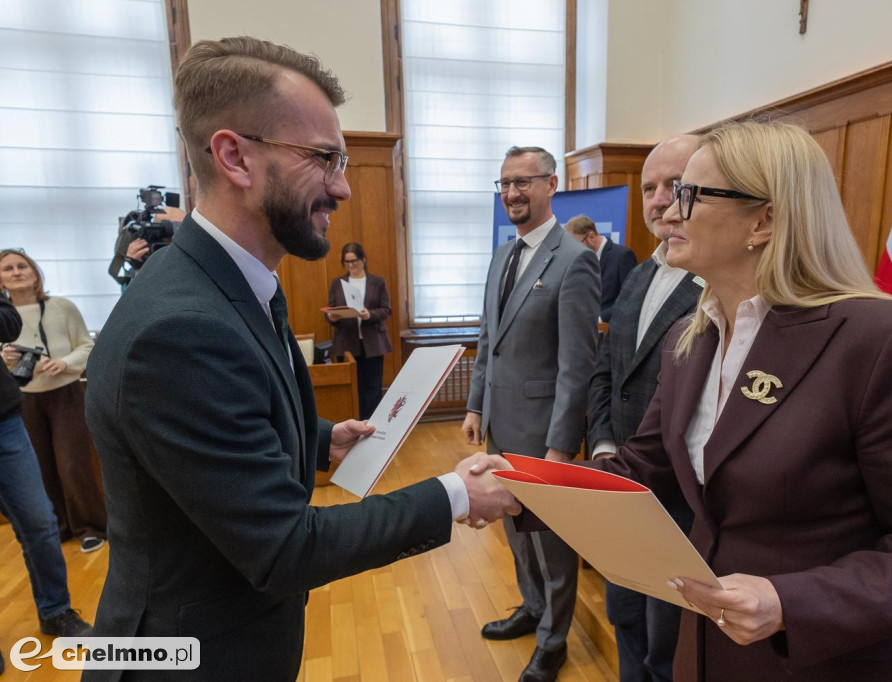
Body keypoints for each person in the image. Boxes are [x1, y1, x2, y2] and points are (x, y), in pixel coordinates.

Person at [83, 36, 518, 682]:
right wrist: (454, 494)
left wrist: (319, 440)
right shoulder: (178, 330)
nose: (343, 188)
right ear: (234, 157)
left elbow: (223, 427)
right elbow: (286, 547)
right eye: (324, 158)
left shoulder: (223, 283)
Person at [573, 120, 892, 681]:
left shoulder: (885, 341)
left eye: (689, 194)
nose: (668, 213)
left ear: (766, 218)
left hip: (819, 661)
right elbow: (642, 465)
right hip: (706, 650)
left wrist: (790, 602)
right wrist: (515, 488)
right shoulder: (695, 334)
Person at [463, 146, 600, 682]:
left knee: (551, 541)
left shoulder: (575, 260)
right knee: (513, 529)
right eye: (504, 184)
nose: (512, 194)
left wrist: (561, 447)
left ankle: (554, 640)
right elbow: (487, 336)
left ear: (551, 185)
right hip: (499, 423)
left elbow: (577, 365)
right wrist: (477, 403)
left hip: (545, 436)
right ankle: (532, 607)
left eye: (523, 182)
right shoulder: (503, 254)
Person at [585, 136, 704, 682]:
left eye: (674, 185)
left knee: (670, 643)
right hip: (622, 487)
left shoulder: (719, 285)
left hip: (683, 503)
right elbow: (606, 370)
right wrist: (605, 445)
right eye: (649, 187)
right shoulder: (638, 273)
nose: (659, 199)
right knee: (624, 619)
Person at [0, 295, 92, 646]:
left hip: (4, 419)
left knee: (39, 520)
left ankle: (55, 611)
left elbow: (9, 322)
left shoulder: (57, 306)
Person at [0, 249, 107, 553]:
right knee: (40, 467)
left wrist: (65, 363)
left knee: (74, 464)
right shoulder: (3, 318)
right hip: (22, 400)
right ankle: (57, 527)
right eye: (8, 268)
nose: (17, 272)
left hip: (65, 394)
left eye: (23, 266)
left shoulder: (61, 307)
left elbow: (87, 346)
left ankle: (90, 528)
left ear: (35, 274)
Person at [325, 242, 392, 419]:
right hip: (346, 342)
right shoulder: (337, 283)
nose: (351, 265)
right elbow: (331, 309)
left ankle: (371, 424)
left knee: (373, 386)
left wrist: (369, 314)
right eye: (346, 262)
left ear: (363, 259)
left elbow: (386, 310)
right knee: (353, 386)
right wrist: (332, 316)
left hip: (373, 343)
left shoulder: (377, 282)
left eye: (354, 261)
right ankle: (354, 424)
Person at [566, 214, 637, 322]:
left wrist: (600, 318)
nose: (575, 250)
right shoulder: (580, 261)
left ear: (591, 236)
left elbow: (630, 299)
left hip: (610, 329)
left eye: (577, 244)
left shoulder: (622, 256)